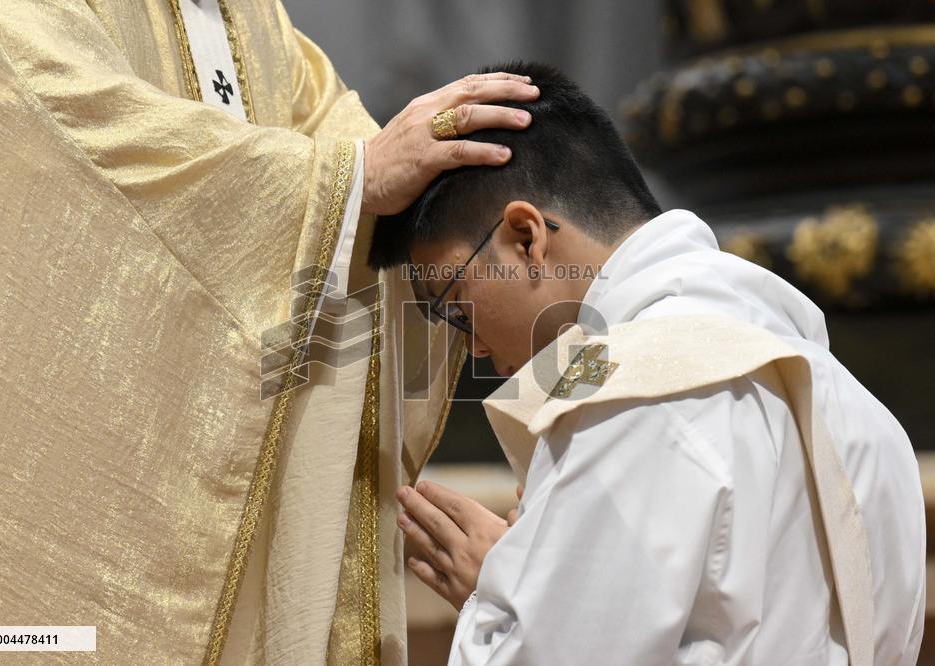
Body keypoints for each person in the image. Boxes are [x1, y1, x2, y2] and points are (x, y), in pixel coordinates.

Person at [0, 1, 539, 664]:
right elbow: (54, 117)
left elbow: (337, 128)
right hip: (95, 471)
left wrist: (435, 181)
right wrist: (355, 177)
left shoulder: (248, 16)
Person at [369, 61, 925, 665]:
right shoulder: (849, 400)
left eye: (454, 302)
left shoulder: (628, 392)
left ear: (526, 236)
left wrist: (498, 596)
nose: (470, 345)